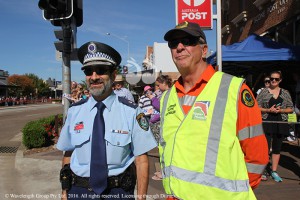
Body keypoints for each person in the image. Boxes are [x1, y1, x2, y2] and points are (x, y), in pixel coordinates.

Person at [159, 21, 269, 200]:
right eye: (173, 43)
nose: (179, 47)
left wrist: (238, 190)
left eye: (187, 41)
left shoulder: (233, 89)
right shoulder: (166, 98)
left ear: (204, 50)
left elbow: (256, 154)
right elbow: (166, 149)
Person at [56, 41, 157, 200]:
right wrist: (64, 191)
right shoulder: (75, 112)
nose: (94, 77)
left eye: (101, 70)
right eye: (89, 71)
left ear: (112, 74)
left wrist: (141, 197)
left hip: (117, 192)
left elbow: (141, 159)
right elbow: (68, 153)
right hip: (78, 191)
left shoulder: (131, 112)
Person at [256, 71, 293, 182]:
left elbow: (290, 108)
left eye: (276, 79)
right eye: (271, 79)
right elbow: (256, 107)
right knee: (265, 147)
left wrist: (280, 110)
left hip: (280, 122)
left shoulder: (285, 93)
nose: (273, 81)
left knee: (277, 147)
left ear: (280, 80)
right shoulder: (264, 92)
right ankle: (264, 170)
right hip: (267, 121)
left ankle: (274, 170)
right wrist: (268, 110)